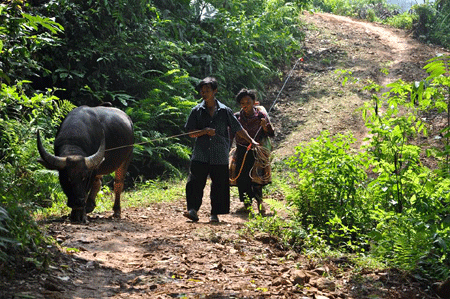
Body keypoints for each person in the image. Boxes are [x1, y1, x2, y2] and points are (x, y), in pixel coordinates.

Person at [184, 77, 259, 223]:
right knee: (195, 182)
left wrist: (251, 140)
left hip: (219, 153)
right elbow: (190, 133)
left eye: (207, 91)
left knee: (219, 183)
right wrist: (203, 131)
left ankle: (215, 213)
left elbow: (238, 128)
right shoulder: (196, 111)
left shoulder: (225, 111)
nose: (204, 93)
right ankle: (192, 210)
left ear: (215, 91)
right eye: (202, 91)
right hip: (201, 153)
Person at [231, 88, 274, 213]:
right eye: (242, 103)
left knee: (257, 179)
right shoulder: (236, 117)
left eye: (248, 102)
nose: (245, 105)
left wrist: (265, 127)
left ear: (254, 102)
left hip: (256, 151)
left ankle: (260, 202)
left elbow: (271, 133)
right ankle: (247, 204)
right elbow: (230, 133)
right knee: (242, 178)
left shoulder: (261, 116)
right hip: (241, 150)